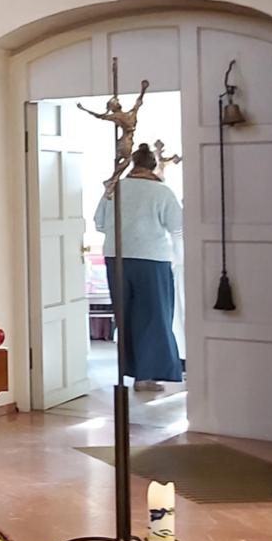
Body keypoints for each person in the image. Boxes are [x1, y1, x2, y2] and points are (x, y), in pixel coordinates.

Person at [94, 144, 183, 391]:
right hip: (151, 258)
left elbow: (99, 223)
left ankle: (130, 372)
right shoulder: (161, 192)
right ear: (153, 165)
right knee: (154, 317)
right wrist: (178, 256)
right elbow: (178, 226)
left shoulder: (114, 188)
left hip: (116, 256)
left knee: (125, 316)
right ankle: (148, 376)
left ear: (133, 163)